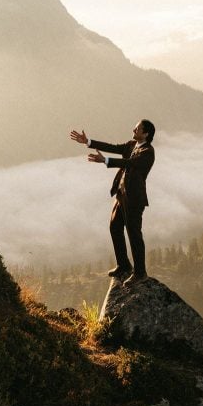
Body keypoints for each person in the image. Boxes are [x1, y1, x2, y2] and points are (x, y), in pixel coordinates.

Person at [70, 120, 155, 285]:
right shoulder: (132, 145)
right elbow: (113, 147)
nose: (133, 129)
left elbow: (129, 163)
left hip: (134, 200)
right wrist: (87, 142)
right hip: (121, 195)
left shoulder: (147, 151)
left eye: (137, 128)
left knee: (134, 234)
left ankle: (140, 273)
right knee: (115, 227)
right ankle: (123, 265)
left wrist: (105, 161)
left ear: (145, 133)